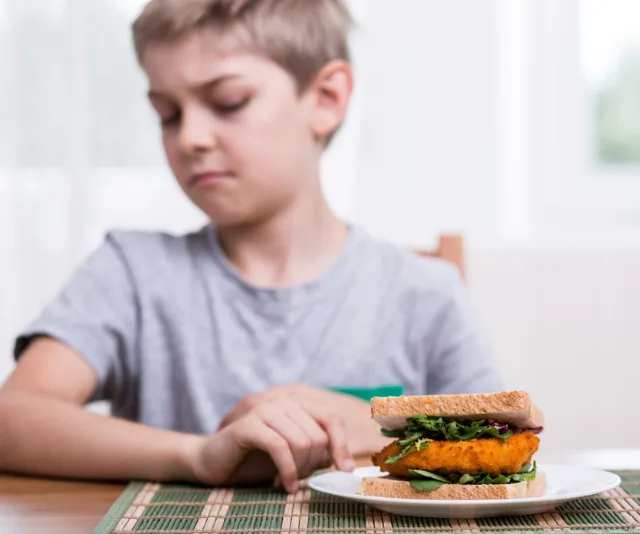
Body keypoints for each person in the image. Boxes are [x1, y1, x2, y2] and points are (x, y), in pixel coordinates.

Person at [0, 0, 502, 494]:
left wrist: (381, 423)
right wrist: (198, 455)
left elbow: (505, 443)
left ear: (327, 98)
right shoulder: (132, 272)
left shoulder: (424, 291)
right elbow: (12, 418)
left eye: (228, 102)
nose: (190, 137)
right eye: (168, 114)